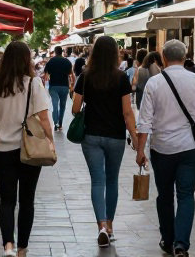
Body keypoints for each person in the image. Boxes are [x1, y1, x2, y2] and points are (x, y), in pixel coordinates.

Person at [134, 39, 195, 257]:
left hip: (161, 148)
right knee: (186, 195)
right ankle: (181, 244)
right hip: (190, 148)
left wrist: (140, 150)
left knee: (164, 195)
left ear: (163, 58)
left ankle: (168, 239)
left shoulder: (154, 83)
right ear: (184, 57)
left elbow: (144, 121)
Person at [0, 41, 54, 257]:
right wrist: (50, 141)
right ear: (27, 59)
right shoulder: (34, 84)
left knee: (6, 200)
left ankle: (8, 246)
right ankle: (22, 248)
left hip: (2, 148)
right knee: (27, 200)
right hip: (29, 150)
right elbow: (44, 119)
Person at [71, 35, 138, 247]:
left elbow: (74, 108)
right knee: (112, 180)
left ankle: (100, 225)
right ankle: (110, 225)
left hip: (91, 135)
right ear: (114, 54)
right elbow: (127, 112)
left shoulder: (85, 76)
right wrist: (135, 138)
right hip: (116, 136)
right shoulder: (121, 78)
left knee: (97, 181)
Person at [42, 46, 73, 131]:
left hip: (54, 86)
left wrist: (44, 85)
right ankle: (60, 124)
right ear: (62, 52)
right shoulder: (67, 61)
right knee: (62, 106)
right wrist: (72, 85)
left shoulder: (51, 61)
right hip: (64, 86)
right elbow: (70, 73)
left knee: (55, 105)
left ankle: (55, 122)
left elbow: (46, 75)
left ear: (55, 52)